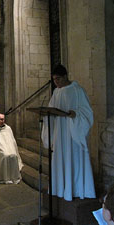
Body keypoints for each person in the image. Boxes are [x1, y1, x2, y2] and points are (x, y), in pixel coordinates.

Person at [41, 64, 96, 201]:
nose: (56, 82)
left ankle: (75, 189)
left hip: (72, 135)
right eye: (54, 80)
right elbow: (51, 110)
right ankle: (60, 188)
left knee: (73, 160)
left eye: (58, 79)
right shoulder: (56, 92)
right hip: (59, 134)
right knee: (60, 159)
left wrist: (75, 114)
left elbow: (87, 113)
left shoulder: (77, 90)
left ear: (65, 76)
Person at [0, 114, 24, 184]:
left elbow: (12, 141)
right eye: (0, 119)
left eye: (2, 119)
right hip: (0, 149)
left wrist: (11, 148)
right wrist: (1, 148)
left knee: (13, 155)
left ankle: (13, 176)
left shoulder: (8, 128)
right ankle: (4, 177)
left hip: (9, 147)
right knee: (5, 155)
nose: (1, 121)